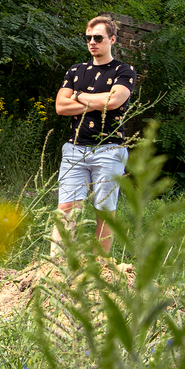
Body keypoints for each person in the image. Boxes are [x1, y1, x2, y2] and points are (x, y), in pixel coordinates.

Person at [53, 15, 137, 254]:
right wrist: (96, 102)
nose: (92, 42)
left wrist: (78, 96)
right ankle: (57, 264)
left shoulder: (123, 70)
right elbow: (60, 106)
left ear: (112, 39)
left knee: (104, 210)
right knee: (67, 207)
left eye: (98, 37)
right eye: (88, 37)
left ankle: (101, 268)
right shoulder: (76, 70)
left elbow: (114, 100)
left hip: (109, 149)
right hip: (75, 148)